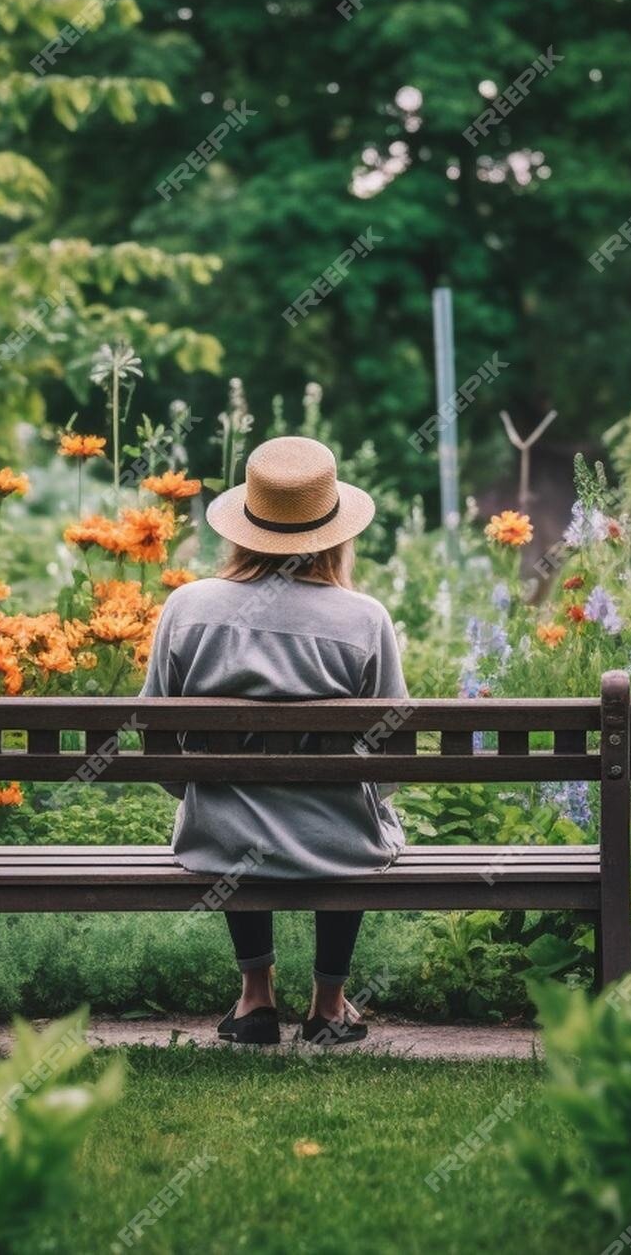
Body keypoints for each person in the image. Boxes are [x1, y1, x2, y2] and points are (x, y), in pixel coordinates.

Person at [139, 436, 406, 1046]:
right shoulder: (364, 620)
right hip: (339, 843)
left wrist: (204, 789)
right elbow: (392, 762)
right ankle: (330, 1005)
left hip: (221, 837)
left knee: (236, 810)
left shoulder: (187, 608)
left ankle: (256, 999)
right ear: (336, 533)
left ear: (242, 529)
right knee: (358, 817)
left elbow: (155, 744)